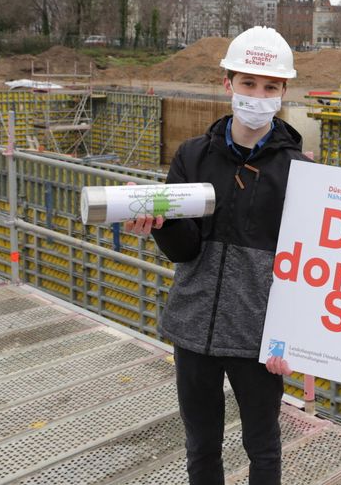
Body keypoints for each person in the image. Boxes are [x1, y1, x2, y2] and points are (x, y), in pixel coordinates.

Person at [125, 26, 309, 485]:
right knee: (201, 446)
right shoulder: (192, 157)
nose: (258, 96)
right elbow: (184, 251)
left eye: (270, 87)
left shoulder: (301, 173)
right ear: (227, 84)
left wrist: (291, 337)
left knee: (263, 447)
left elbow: (307, 268)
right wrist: (160, 225)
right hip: (194, 330)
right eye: (248, 83)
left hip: (256, 337)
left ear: (283, 91)